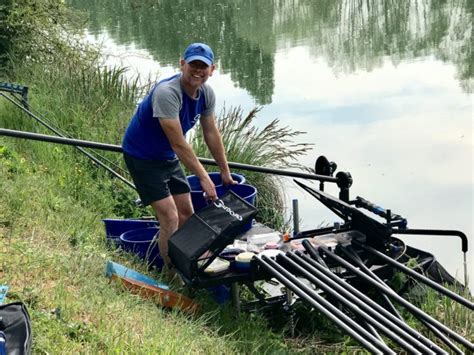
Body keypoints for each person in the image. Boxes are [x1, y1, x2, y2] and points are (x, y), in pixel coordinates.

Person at [122, 43, 235, 268]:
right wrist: (204, 177)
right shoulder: (168, 93)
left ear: (212, 69)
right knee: (170, 218)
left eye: (203, 66)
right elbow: (178, 143)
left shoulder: (206, 94)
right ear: (182, 64)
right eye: (193, 64)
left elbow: (211, 132)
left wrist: (224, 170)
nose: (197, 70)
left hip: (167, 156)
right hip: (142, 156)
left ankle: (187, 266)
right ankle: (172, 276)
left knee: (187, 213)